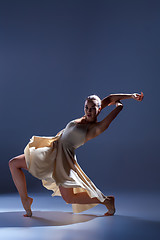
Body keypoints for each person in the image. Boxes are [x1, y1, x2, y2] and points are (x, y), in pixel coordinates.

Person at [9, 92, 144, 217]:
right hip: (52, 150)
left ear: (99, 109)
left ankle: (107, 200)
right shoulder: (86, 116)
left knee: (69, 198)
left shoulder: (95, 128)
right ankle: (25, 200)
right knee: (14, 163)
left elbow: (110, 107)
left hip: (63, 160)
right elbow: (109, 98)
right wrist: (131, 95)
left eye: (92, 108)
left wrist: (119, 107)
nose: (89, 111)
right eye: (86, 107)